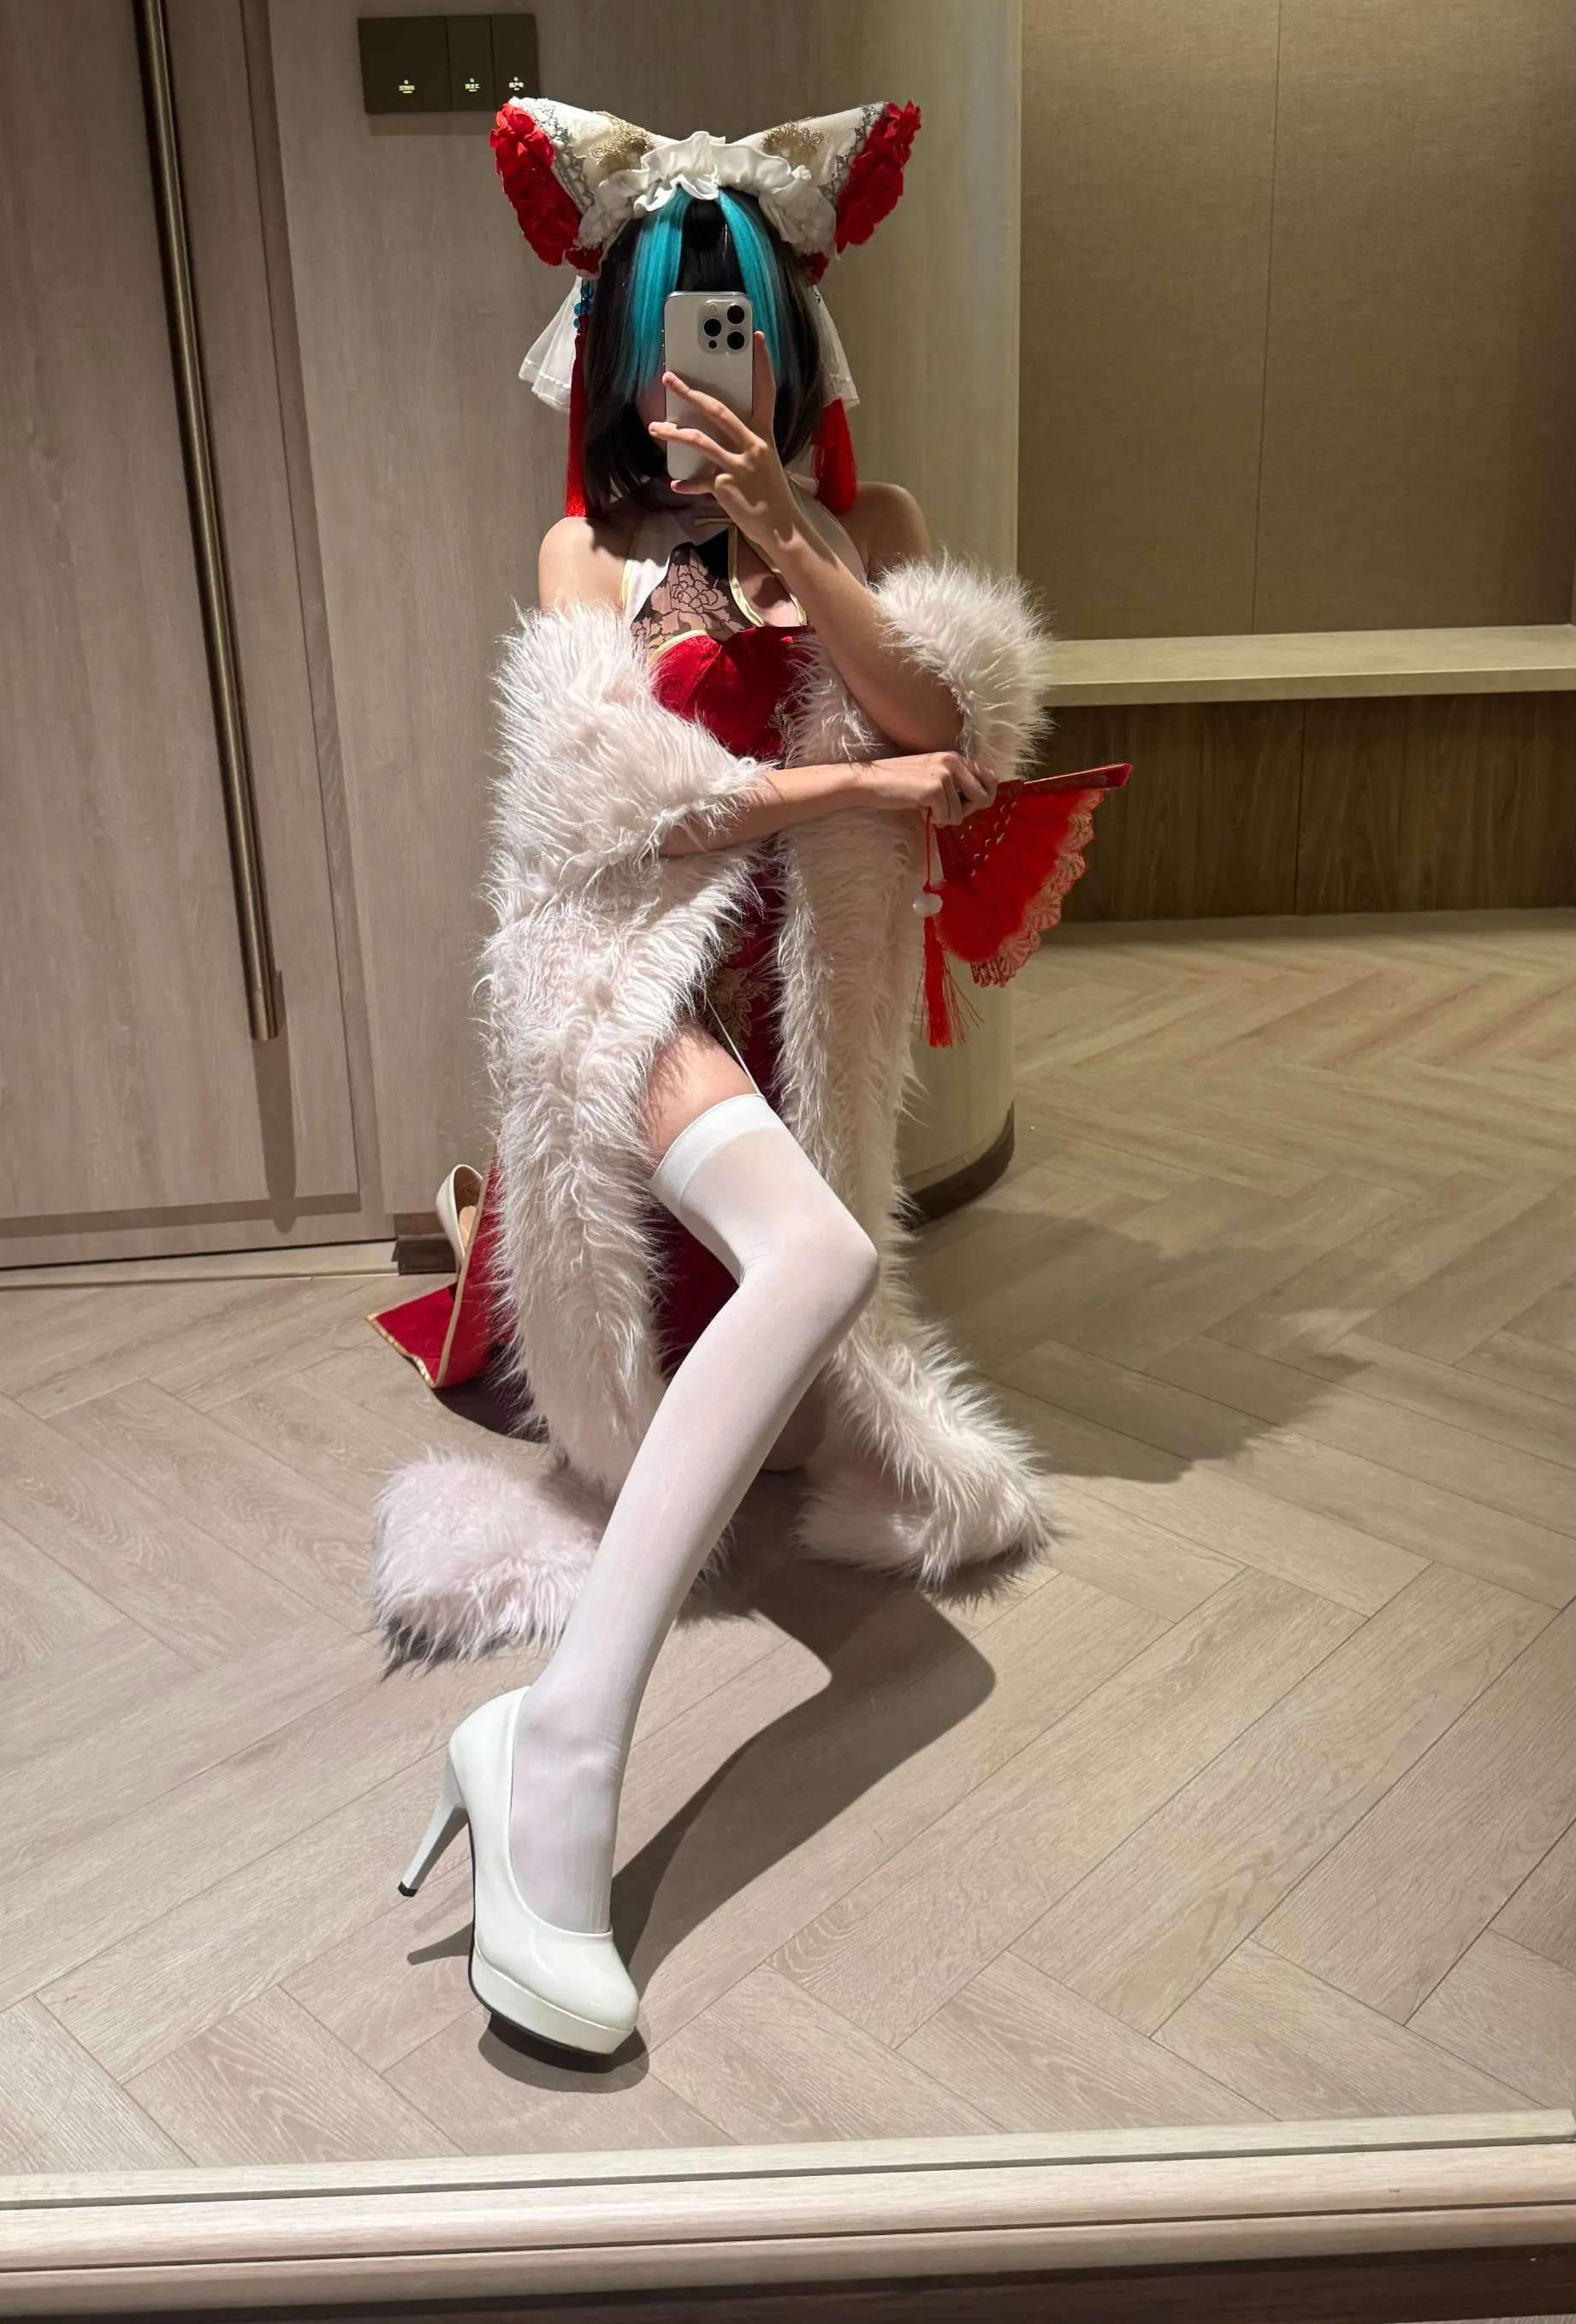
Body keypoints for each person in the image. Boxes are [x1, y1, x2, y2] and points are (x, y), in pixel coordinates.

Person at [380, 100, 1057, 2058]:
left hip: (789, 993)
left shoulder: (869, 525)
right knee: (818, 1258)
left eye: (742, 326)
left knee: (814, 1281)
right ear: (617, 351)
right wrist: (846, 787)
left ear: (793, 344)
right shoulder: (586, 551)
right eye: (680, 330)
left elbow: (951, 723)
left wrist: (794, 540)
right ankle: (560, 1756)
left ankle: (537, 1742)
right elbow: (604, 817)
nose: (713, 369)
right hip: (615, 977)